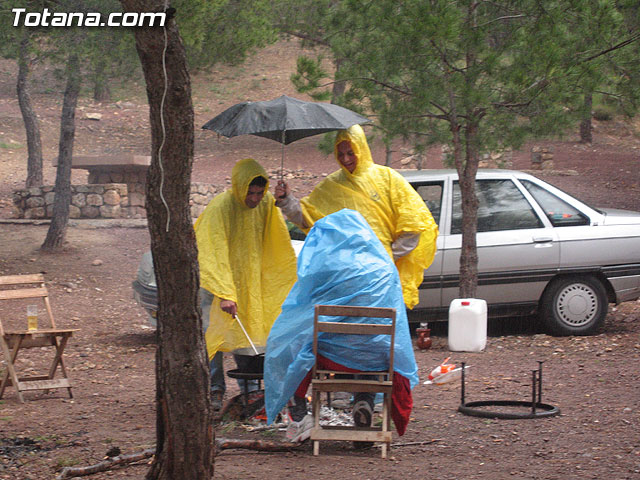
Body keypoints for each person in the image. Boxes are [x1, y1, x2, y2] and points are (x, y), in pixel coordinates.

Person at [264, 210, 419, 444]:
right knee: (367, 347)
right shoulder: (384, 268)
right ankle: (363, 400)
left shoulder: (325, 269)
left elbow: (304, 308)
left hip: (331, 359)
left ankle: (298, 415)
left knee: (295, 346)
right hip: (378, 359)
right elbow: (398, 324)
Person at [275, 124, 438, 311]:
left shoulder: (387, 178)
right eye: (341, 153)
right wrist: (286, 200)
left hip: (381, 275)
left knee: (380, 326)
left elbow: (414, 224)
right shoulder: (332, 186)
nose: (345, 159)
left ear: (361, 149)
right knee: (348, 330)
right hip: (345, 276)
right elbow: (309, 218)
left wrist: (385, 257)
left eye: (351, 153)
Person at [195, 158, 297, 410]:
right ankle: (214, 390)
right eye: (250, 193)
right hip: (216, 286)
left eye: (259, 193)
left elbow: (277, 243)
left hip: (248, 283)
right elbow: (211, 251)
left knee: (248, 331)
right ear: (240, 188)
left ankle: (250, 394)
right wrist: (225, 292)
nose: (254, 198)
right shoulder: (221, 207)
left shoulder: (264, 206)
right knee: (213, 337)